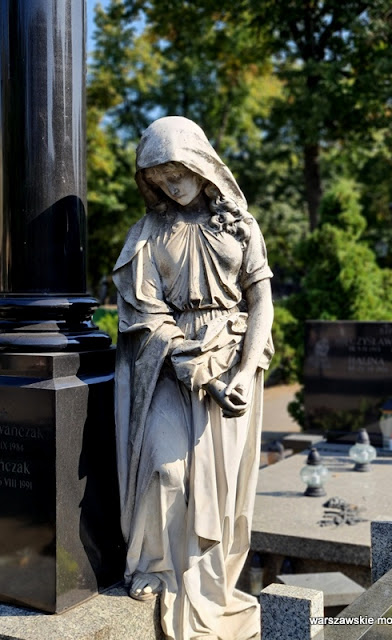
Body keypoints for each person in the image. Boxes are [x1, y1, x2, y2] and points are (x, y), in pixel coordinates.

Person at [113, 116, 274, 640]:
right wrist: (188, 363)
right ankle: (158, 568)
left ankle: (213, 588)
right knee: (167, 472)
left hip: (231, 360)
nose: (169, 183)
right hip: (168, 364)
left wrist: (246, 372)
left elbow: (262, 302)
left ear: (201, 165)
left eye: (176, 170)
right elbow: (142, 312)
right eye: (158, 176)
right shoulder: (148, 234)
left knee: (221, 495)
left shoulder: (241, 226)